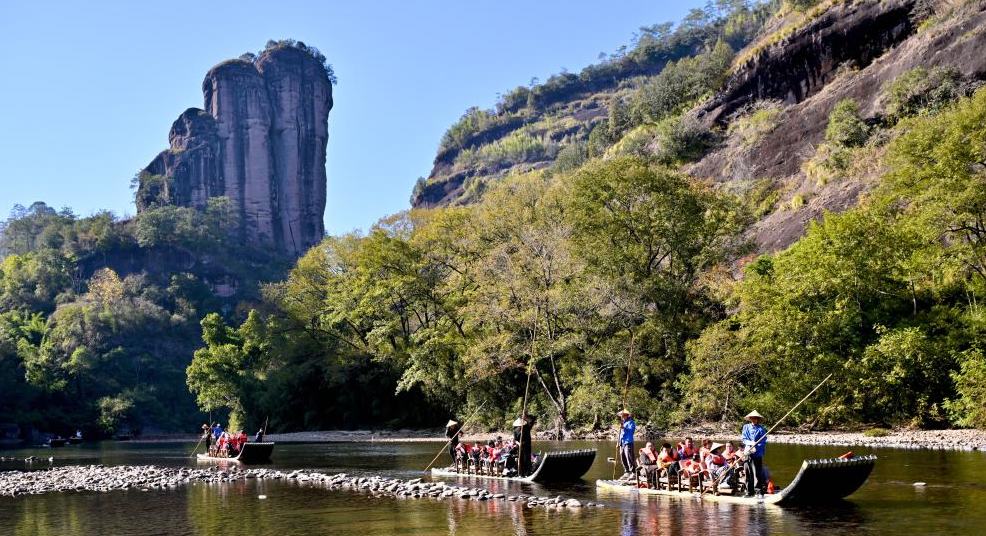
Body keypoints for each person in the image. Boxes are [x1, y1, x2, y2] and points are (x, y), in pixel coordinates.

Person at [741, 410, 768, 497]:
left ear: (758, 419)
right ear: (750, 419)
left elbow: (763, 441)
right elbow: (744, 438)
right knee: (748, 472)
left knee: (757, 472)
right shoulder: (746, 427)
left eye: (756, 418)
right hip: (747, 452)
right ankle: (749, 491)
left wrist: (756, 446)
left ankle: (758, 491)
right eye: (752, 418)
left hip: (757, 453)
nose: (754, 420)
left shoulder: (761, 429)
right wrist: (750, 444)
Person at [617, 409, 636, 478]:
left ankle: (633, 472)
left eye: (623, 415)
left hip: (628, 442)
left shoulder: (631, 422)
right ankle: (627, 471)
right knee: (623, 457)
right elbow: (621, 434)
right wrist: (618, 442)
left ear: (626, 415)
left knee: (629, 457)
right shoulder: (623, 422)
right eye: (621, 416)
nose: (622, 417)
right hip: (622, 442)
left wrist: (624, 427)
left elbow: (631, 431)